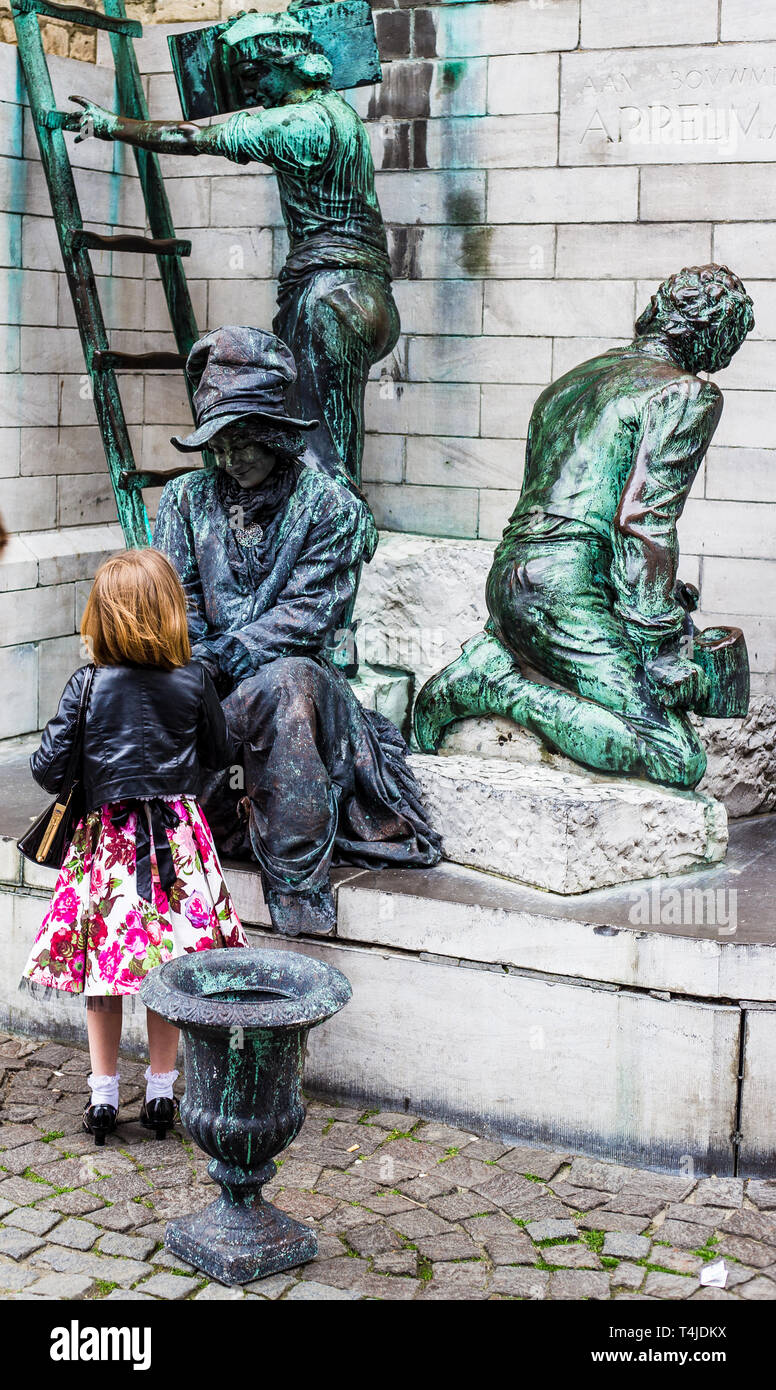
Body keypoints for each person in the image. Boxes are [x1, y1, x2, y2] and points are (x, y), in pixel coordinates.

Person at [415, 265, 755, 789]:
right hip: (566, 589)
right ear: (716, 338)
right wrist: (659, 643)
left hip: (511, 575)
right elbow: (646, 523)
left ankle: (502, 651)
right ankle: (490, 687)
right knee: (674, 757)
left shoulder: (568, 382)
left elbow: (566, 506)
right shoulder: (687, 393)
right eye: (731, 344)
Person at [154, 325, 441, 938]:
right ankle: (146, 849)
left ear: (280, 436)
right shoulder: (183, 501)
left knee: (285, 681)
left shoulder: (328, 507)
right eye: (219, 443)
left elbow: (305, 618)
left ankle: (296, 882)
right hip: (214, 698)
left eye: (246, 440)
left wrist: (217, 658)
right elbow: (178, 604)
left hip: (303, 702)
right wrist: (191, 671)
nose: (232, 457)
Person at [70, 10, 398, 496]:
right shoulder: (340, 114)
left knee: (320, 456)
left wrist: (109, 124)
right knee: (335, 444)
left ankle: (326, 552)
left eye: (253, 75)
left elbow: (188, 137)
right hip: (368, 298)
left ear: (289, 62)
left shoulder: (297, 124)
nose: (250, 92)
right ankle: (331, 540)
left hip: (327, 298)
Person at [21, 549, 246, 1145]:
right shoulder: (195, 679)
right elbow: (221, 755)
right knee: (168, 970)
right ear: (169, 611)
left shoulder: (88, 684)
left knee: (105, 969)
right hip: (176, 841)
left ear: (105, 614)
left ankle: (102, 1097)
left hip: (111, 845)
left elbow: (47, 770)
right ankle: (162, 1093)